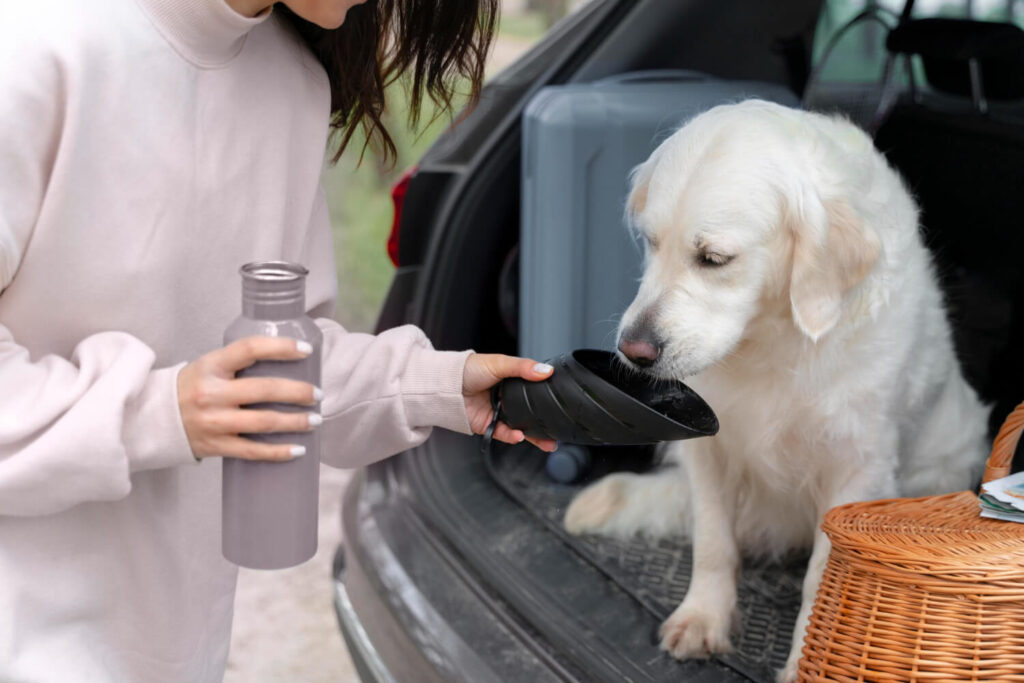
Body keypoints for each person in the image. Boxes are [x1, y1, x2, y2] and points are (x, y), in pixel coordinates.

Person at [0, 0, 556, 679]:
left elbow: (283, 359)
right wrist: (159, 411)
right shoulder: (34, 46)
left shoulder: (290, 87)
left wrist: (438, 385)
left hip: (175, 647)